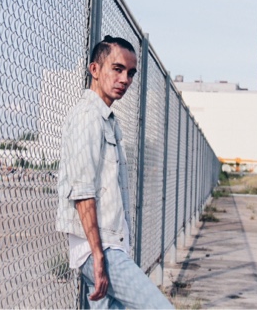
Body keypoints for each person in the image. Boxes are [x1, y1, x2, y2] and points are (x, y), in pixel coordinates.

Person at [56, 35, 173, 309]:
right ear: (95, 70)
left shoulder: (106, 119)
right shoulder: (87, 116)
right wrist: (98, 255)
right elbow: (82, 192)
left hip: (107, 247)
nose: (125, 79)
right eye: (117, 69)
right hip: (101, 249)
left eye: (130, 73)